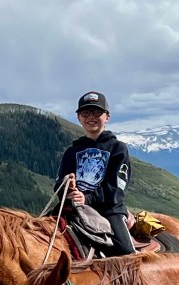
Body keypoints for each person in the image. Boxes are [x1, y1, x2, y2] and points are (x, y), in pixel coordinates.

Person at [56, 90, 135, 254]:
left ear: (107, 116)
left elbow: (116, 189)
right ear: (78, 118)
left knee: (125, 254)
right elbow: (59, 183)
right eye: (85, 112)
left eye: (97, 111)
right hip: (75, 209)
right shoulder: (72, 152)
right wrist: (68, 190)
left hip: (109, 210)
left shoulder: (117, 148)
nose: (90, 117)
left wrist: (87, 198)